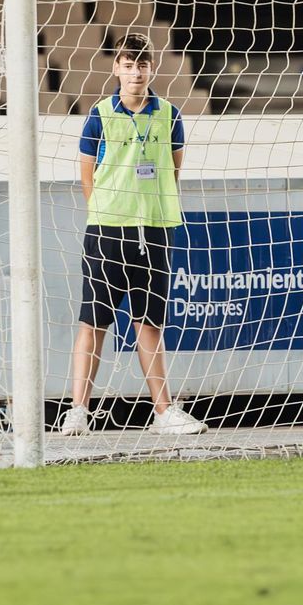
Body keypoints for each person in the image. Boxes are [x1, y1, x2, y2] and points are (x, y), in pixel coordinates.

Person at [63, 33, 207, 435]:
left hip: (156, 230)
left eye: (142, 65)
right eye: (128, 65)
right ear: (117, 69)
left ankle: (163, 412)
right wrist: (110, 212)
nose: (135, 72)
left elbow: (173, 172)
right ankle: (78, 410)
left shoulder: (170, 115)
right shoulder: (99, 115)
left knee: (149, 324)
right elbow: (87, 175)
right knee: (94, 321)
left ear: (151, 69)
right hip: (109, 230)